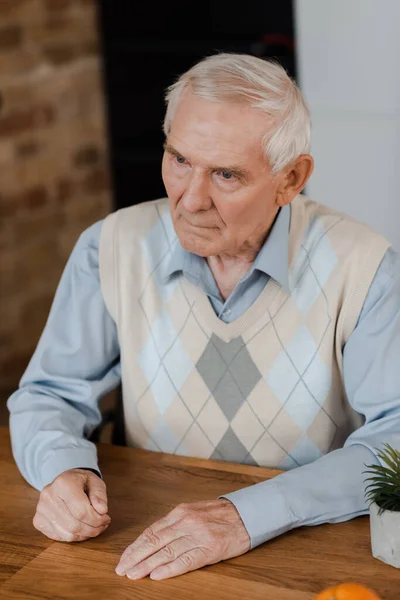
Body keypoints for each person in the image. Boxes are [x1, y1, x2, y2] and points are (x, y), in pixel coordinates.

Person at [7, 53, 400, 582]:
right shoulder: (110, 245)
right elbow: (49, 393)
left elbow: (395, 438)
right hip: (142, 543)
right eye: (179, 160)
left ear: (291, 179)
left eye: (226, 175)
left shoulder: (367, 266)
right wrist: (63, 467)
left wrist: (248, 513)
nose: (189, 200)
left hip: (306, 553)